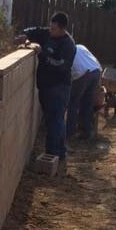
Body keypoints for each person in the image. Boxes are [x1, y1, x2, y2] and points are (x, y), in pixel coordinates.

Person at [20, 12, 76, 167]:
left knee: (56, 120)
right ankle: (55, 152)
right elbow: (32, 31)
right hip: (45, 87)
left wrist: (42, 54)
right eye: (50, 27)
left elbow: (60, 66)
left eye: (53, 28)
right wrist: (24, 37)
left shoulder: (68, 45)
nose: (49, 30)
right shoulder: (47, 34)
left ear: (62, 28)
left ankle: (55, 154)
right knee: (52, 120)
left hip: (59, 88)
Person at [68, 42, 102, 141]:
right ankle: (86, 131)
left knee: (73, 103)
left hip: (82, 74)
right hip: (96, 71)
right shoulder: (81, 46)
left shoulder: (66, 50)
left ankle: (71, 132)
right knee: (87, 103)